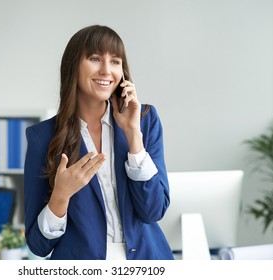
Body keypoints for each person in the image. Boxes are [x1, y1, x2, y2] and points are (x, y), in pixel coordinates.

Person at [24, 25, 173, 260]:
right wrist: (60, 196)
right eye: (95, 58)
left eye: (115, 61)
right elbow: (38, 245)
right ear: (74, 66)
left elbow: (153, 210)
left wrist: (134, 135)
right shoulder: (43, 137)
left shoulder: (145, 120)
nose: (106, 70)